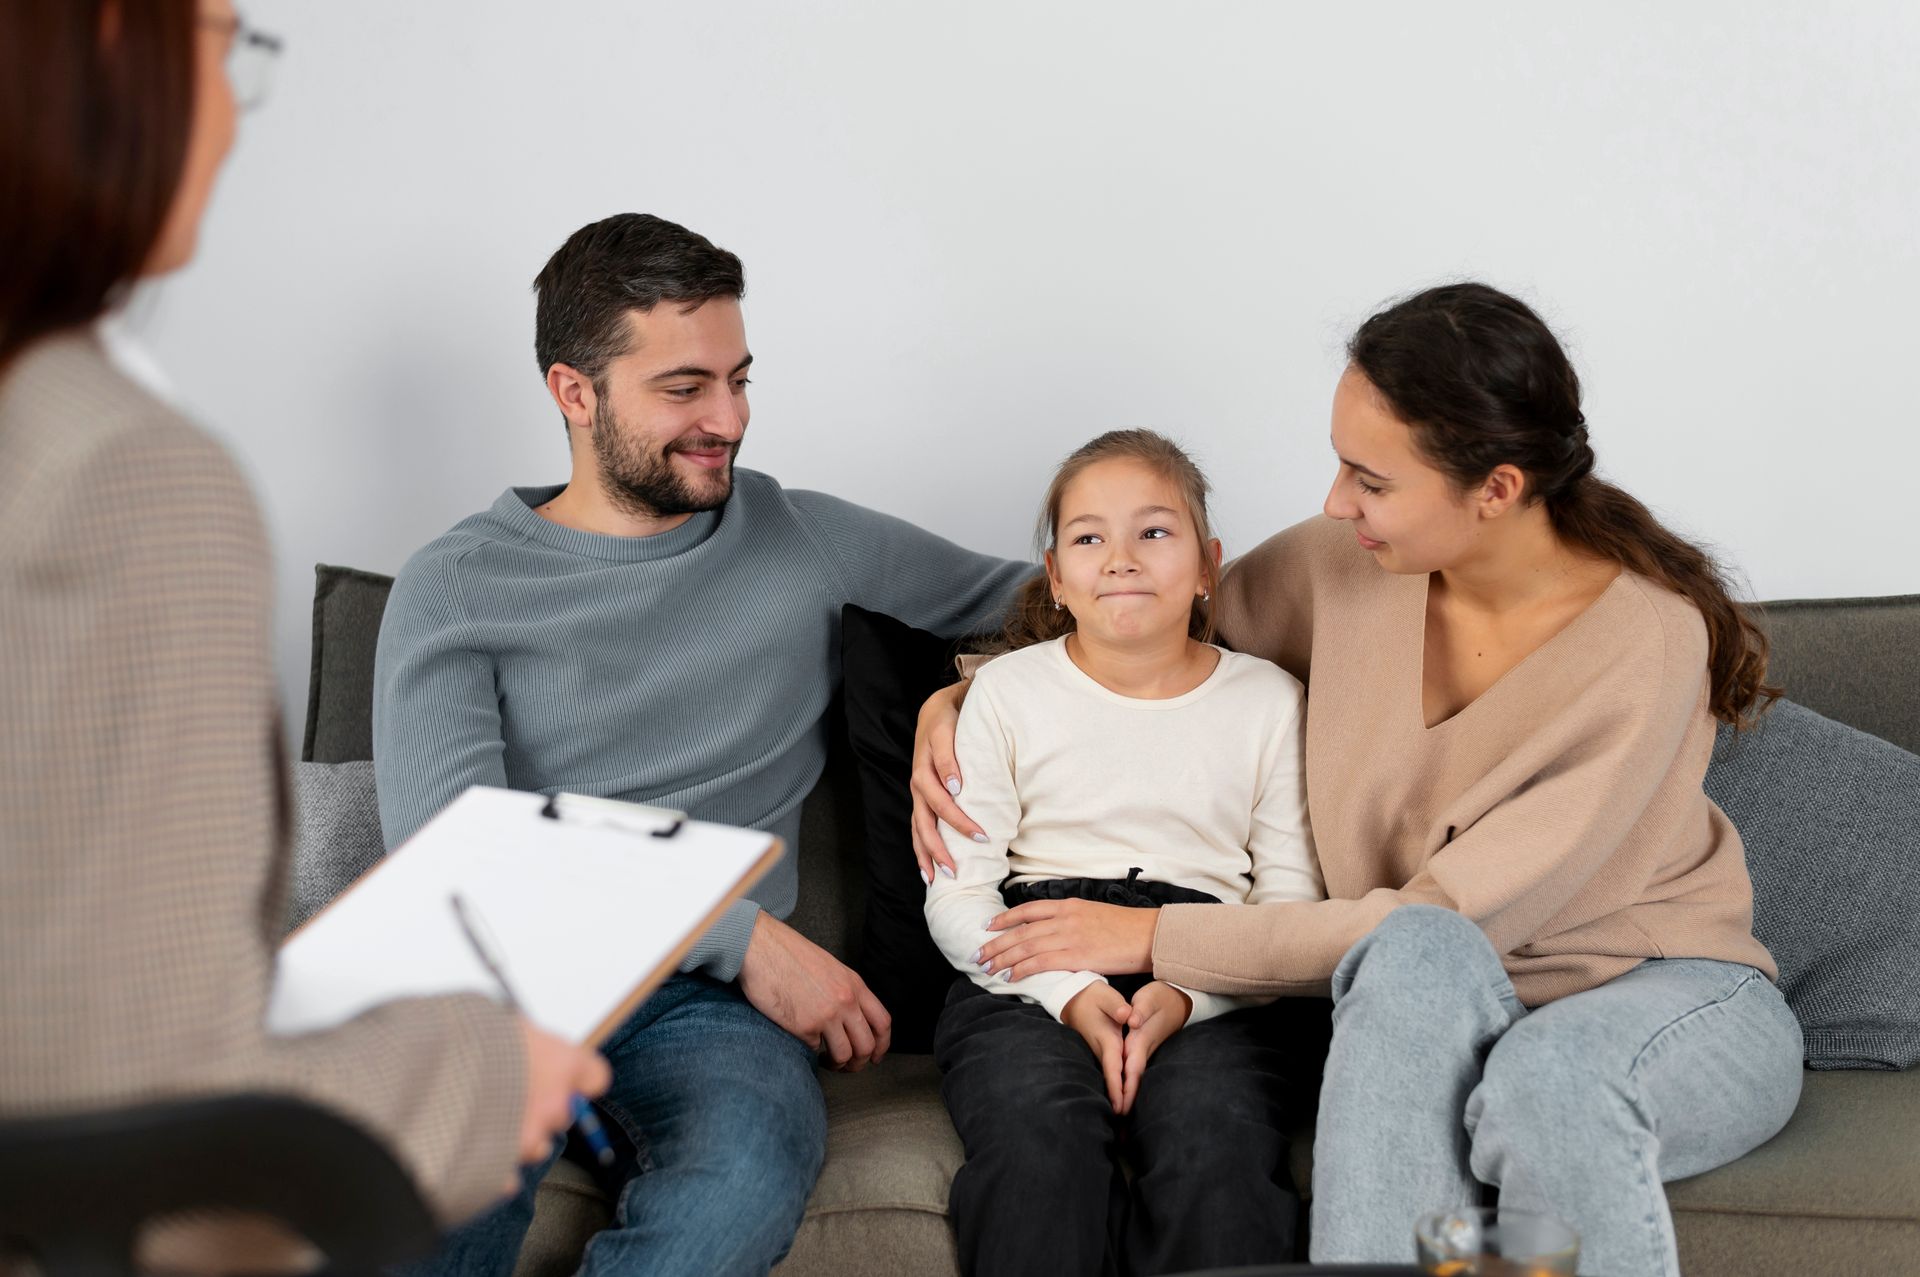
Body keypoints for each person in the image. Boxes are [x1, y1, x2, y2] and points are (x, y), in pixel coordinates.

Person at [910, 284, 1804, 1277]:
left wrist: (1154, 935)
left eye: (1368, 478)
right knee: (1407, 966)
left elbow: (1454, 914)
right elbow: (1145, 629)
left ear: (1496, 489)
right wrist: (959, 700)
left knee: (1537, 1074)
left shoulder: (1645, 641)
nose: (1336, 501)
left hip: (1655, 990)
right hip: (1422, 983)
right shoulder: (1341, 567)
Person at [0, 0, 607, 1261]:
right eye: (227, 41)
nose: (233, 105)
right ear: (116, 43)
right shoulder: (124, 477)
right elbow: (152, 1105)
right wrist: (482, 1074)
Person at [373, 212, 1034, 1276]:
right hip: (505, 982)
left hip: (704, 1017)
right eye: (685, 388)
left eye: (740, 379)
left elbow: (1072, 602)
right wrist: (746, 938)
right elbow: (464, 857)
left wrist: (960, 691)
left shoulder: (800, 536)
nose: (728, 418)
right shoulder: (453, 585)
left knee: (742, 1173)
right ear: (573, 392)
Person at [923, 430, 1327, 1276]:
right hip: (1031, 958)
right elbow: (959, 894)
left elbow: (1288, 908)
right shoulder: (1003, 693)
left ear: (1209, 564)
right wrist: (1070, 994)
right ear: (1056, 578)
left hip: (1217, 963)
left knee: (1215, 1142)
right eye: (1088, 537)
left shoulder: (1268, 700)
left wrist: (1186, 995)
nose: (1121, 558)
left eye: (1154, 531)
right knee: (1040, 1140)